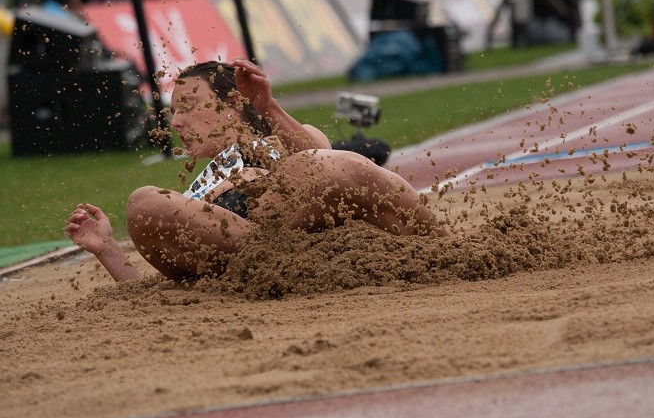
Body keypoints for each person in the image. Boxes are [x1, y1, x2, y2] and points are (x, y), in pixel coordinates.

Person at [65, 59, 443, 283]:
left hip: (322, 235)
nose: (177, 122)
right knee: (145, 201)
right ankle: (276, 263)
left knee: (320, 165)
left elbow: (325, 164)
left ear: (232, 103)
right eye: (173, 111)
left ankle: (447, 248)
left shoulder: (280, 138)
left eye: (189, 106)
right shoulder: (194, 195)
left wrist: (268, 107)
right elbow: (162, 292)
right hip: (264, 270)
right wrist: (107, 250)